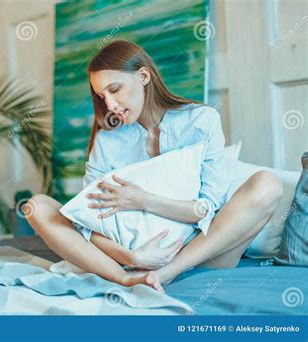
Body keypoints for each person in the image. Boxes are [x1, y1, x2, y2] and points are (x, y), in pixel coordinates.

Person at [26, 40, 283, 293]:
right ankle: (127, 279)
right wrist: (131, 258)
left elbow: (205, 210)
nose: (110, 105)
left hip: (200, 253)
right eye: (102, 97)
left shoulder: (201, 120)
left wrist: (142, 200)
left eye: (115, 89)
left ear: (143, 76)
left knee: (267, 184)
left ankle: (165, 274)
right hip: (129, 257)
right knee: (37, 206)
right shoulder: (108, 138)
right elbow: (86, 220)